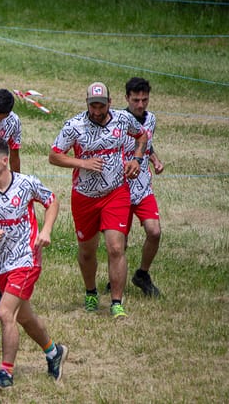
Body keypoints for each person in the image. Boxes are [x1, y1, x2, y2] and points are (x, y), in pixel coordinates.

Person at [0, 137, 68, 390]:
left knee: (4, 311)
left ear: (5, 160)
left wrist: (45, 231)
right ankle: (54, 352)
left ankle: (6, 373)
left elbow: (52, 201)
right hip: (3, 262)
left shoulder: (26, 184)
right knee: (23, 316)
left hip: (27, 257)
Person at [48, 82, 147, 319]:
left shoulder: (123, 119)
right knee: (87, 250)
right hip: (85, 196)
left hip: (116, 192)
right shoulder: (74, 126)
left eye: (101, 106)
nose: (96, 110)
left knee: (115, 247)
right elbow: (54, 156)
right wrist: (83, 163)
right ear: (87, 104)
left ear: (109, 103)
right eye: (92, 106)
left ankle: (116, 301)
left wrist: (137, 159)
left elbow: (142, 135)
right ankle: (91, 292)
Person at [123, 77, 164, 297]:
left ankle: (142, 274)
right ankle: (116, 277)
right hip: (120, 189)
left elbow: (146, 144)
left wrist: (155, 160)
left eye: (144, 100)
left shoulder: (151, 119)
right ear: (126, 98)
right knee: (121, 241)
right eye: (136, 100)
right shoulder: (119, 121)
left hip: (143, 188)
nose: (140, 104)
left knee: (154, 231)